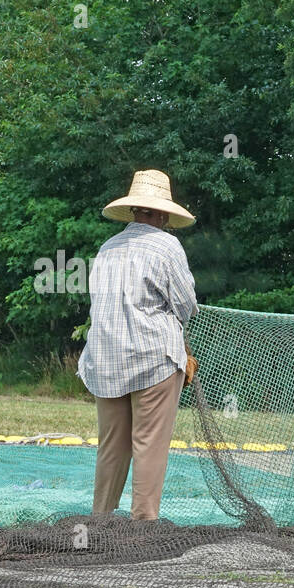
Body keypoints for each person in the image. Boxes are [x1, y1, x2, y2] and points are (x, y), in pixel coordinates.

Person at [78, 169, 199, 521]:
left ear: (134, 211)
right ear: (163, 214)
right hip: (153, 360)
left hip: (104, 359)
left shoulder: (108, 247)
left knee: (112, 447)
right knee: (148, 445)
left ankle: (100, 520)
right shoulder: (167, 246)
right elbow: (186, 306)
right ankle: (143, 528)